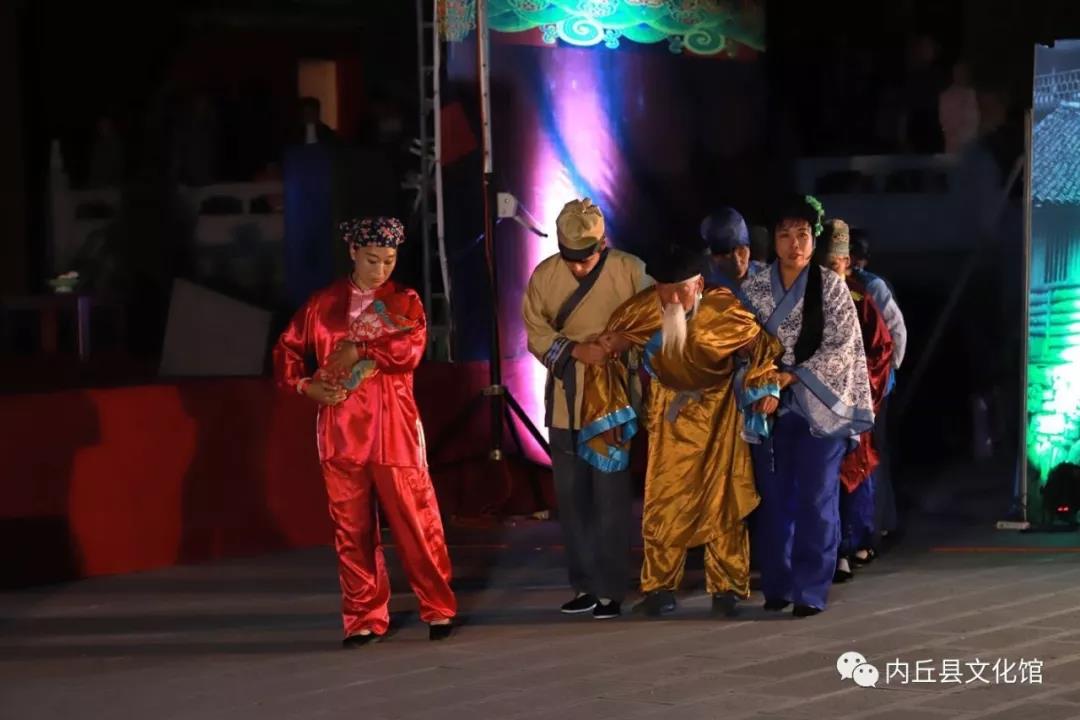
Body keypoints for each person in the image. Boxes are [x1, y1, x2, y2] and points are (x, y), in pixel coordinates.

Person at [273, 217, 456, 646]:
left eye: (389, 260)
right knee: (351, 530)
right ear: (353, 252)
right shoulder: (323, 303)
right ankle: (364, 617)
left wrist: (360, 348)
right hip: (340, 429)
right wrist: (305, 385)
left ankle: (438, 606)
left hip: (394, 428)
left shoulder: (404, 301)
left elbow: (409, 352)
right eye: (373, 260)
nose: (381, 270)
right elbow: (286, 349)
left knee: (416, 520)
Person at [583, 243, 782, 618]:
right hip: (668, 412)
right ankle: (659, 587)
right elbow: (607, 352)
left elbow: (761, 347)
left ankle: (727, 587)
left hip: (719, 410)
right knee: (664, 499)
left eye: (682, 290)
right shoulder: (640, 310)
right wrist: (610, 413)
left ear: (700, 284)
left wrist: (765, 386)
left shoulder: (723, 309)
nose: (673, 299)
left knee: (724, 498)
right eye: (664, 290)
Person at [741, 195, 873, 617]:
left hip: (820, 408)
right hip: (769, 408)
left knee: (816, 499)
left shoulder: (831, 287)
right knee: (774, 499)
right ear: (773, 240)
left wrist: (792, 376)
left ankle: (810, 589)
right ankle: (777, 584)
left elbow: (843, 348)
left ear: (814, 240)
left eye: (802, 234)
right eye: (785, 235)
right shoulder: (753, 290)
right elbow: (741, 345)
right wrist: (763, 382)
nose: (794, 244)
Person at [522, 198, 651, 620]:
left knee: (610, 497)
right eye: (571, 259)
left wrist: (623, 341)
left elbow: (656, 315)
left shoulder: (630, 269)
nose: (578, 268)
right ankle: (583, 585)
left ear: (603, 243)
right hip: (566, 397)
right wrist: (575, 350)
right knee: (571, 496)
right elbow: (535, 330)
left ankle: (611, 588)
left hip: (613, 398)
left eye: (587, 259)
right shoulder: (544, 276)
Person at [820, 220, 894, 583]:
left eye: (835, 263)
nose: (830, 270)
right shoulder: (804, 297)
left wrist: (863, 388)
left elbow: (883, 349)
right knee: (822, 481)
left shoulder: (862, 299)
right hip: (815, 405)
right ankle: (829, 551)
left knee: (854, 473)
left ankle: (849, 547)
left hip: (852, 403)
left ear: (847, 263)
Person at [849, 228, 907, 551]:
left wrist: (885, 374)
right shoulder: (834, 285)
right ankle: (866, 528)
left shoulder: (871, 286)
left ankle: (878, 524)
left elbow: (896, 333)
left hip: (874, 387)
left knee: (873, 454)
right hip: (850, 387)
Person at [699, 207, 767, 295]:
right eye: (726, 255)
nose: (737, 262)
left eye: (741, 251)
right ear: (714, 257)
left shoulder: (772, 277)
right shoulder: (705, 290)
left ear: (749, 248)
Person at [939, 61, 980, 155]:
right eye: (958, 72)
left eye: (964, 72)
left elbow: (976, 120)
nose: (961, 75)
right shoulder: (946, 96)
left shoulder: (974, 94)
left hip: (973, 146)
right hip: (953, 147)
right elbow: (944, 122)